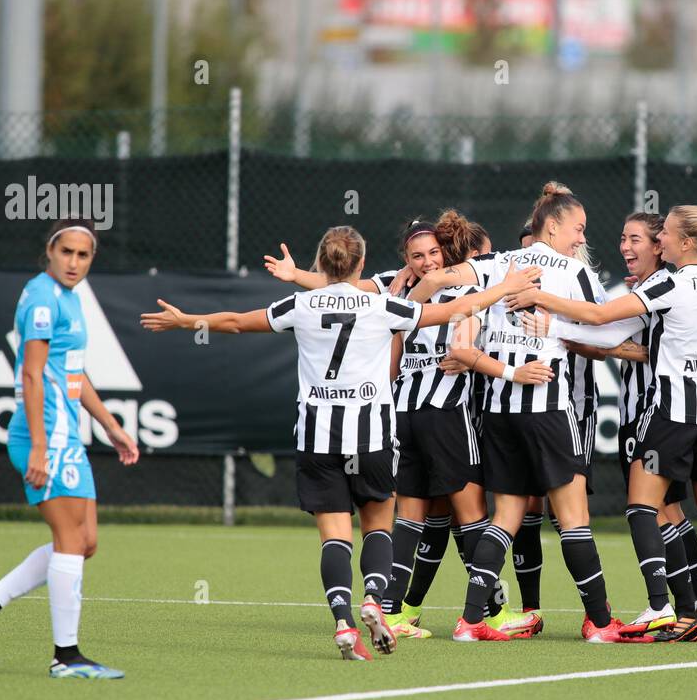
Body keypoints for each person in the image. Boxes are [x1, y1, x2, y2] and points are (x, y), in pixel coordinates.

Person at [141, 226, 538, 659]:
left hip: (317, 437)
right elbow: (459, 309)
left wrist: (186, 321)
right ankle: (373, 599)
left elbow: (237, 322)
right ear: (362, 264)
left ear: (322, 263)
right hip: (370, 436)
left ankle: (344, 624)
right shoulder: (383, 305)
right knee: (378, 526)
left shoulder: (301, 304)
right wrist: (506, 286)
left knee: (334, 537)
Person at [513, 203, 697, 643]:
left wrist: (542, 304)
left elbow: (600, 320)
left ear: (685, 242)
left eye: (662, 233)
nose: (658, 240)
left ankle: (660, 606)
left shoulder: (669, 281)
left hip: (675, 413)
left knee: (641, 506)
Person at [411, 182, 641, 643]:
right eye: (578, 229)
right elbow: (605, 329)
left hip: (498, 408)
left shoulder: (495, 264)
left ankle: (472, 619)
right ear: (552, 225)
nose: (581, 239)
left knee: (506, 516)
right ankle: (599, 621)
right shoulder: (574, 273)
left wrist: (403, 284)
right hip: (547, 406)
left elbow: (435, 282)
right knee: (573, 517)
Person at [526, 212, 697, 640]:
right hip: (653, 413)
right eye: (622, 238)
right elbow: (607, 338)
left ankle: (683, 605)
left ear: (661, 245)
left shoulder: (665, 286)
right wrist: (579, 337)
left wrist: (556, 326)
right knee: (668, 512)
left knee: (656, 511)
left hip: (660, 413)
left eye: (635, 239)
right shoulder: (650, 287)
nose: (625, 247)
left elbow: (618, 338)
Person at [0, 219, 139, 679]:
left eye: (83, 254)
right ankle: (66, 656)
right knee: (70, 541)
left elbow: (73, 373)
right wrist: (38, 445)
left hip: (65, 438)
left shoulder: (71, 300)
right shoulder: (41, 297)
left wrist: (111, 425)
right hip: (45, 438)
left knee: (86, 543)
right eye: (67, 252)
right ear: (50, 252)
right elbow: (32, 375)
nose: (74, 262)